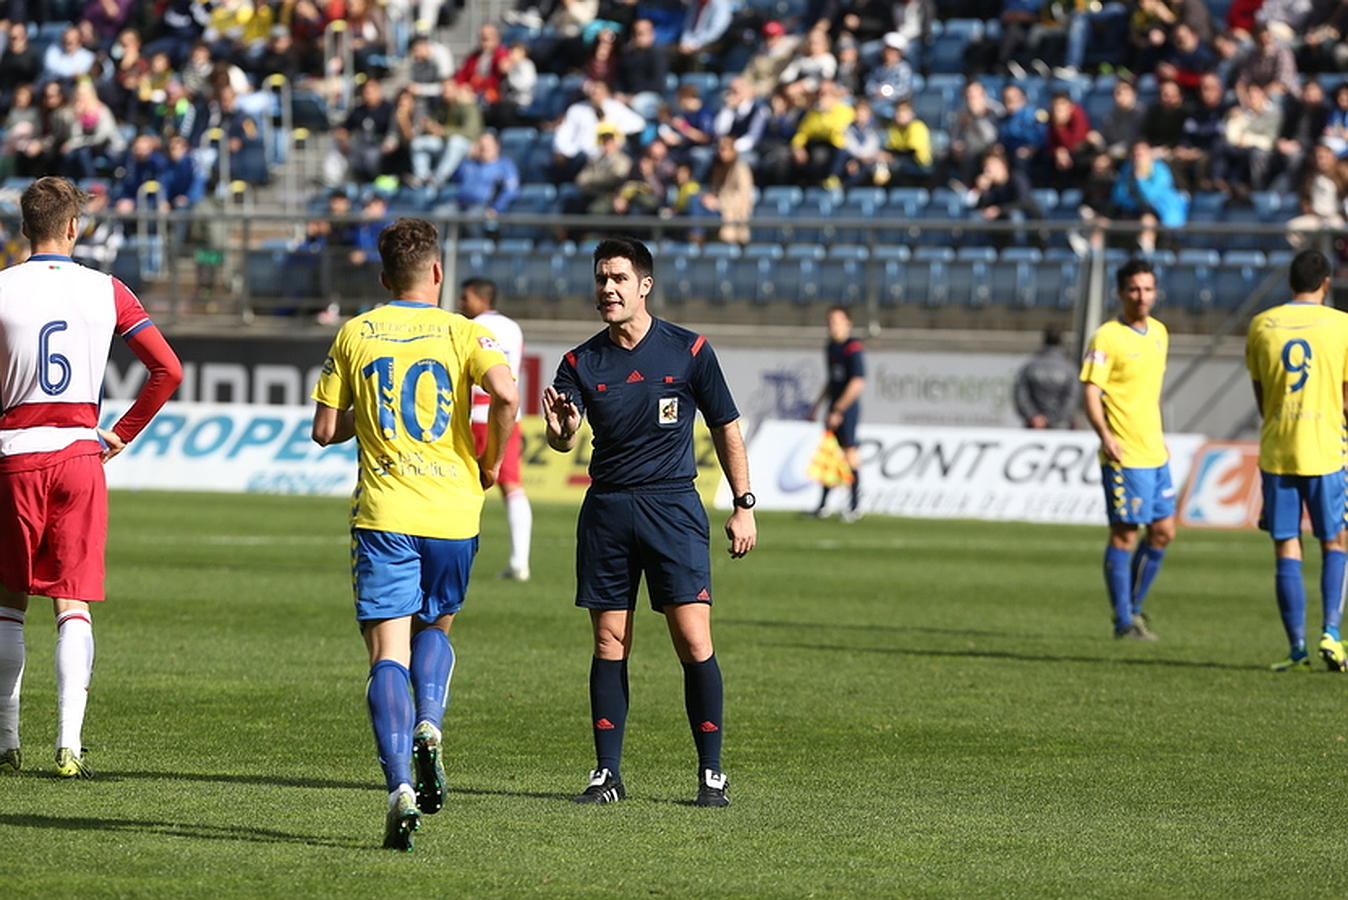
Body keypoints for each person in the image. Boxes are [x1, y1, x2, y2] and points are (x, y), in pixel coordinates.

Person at [310, 217, 518, 850]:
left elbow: (323, 430)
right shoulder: (466, 331)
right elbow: (507, 396)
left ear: (382, 278)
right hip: (454, 514)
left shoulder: (356, 332)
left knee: (385, 656)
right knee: (437, 629)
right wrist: (491, 460)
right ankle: (431, 724)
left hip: (385, 515)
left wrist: (368, 423)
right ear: (437, 272)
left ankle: (400, 784)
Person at [542, 237, 756, 808]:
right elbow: (560, 441)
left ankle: (711, 774)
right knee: (610, 641)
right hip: (608, 510)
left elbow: (726, 426)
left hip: (672, 509)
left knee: (692, 639)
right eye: (600, 279)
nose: (607, 289)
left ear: (644, 285)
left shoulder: (688, 351)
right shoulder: (579, 362)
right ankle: (606, 775)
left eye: (617, 278)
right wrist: (562, 426)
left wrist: (743, 503)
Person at [0, 176, 183, 778]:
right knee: (71, 602)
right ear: (74, 227)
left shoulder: (2, 288)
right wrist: (122, 433)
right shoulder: (107, 289)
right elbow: (167, 369)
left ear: (24, 228)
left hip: (14, 455)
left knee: (8, 603)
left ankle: (6, 740)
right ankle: (69, 746)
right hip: (80, 455)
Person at [1244, 250, 1348, 672]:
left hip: (1277, 449)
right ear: (1325, 283)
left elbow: (1261, 393)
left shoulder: (1261, 324)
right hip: (1325, 448)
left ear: (1290, 283)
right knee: (1334, 540)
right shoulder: (1341, 325)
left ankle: (1297, 646)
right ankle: (1332, 633)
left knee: (1286, 544)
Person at [1079, 259, 1174, 641]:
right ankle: (1123, 620)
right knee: (1125, 534)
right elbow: (1090, 391)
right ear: (1121, 293)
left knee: (1164, 531)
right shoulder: (1106, 337)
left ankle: (1133, 608)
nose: (1142, 296)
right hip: (1124, 453)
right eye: (1134, 289)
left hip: (1155, 451)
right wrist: (1105, 434)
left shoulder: (1160, 334)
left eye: (1148, 289)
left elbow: (1147, 393)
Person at [458, 278, 532, 582]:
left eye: (465, 298)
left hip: (476, 414)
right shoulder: (513, 328)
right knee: (511, 485)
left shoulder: (471, 328)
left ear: (479, 298)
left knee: (463, 487)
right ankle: (520, 561)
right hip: (506, 417)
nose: (461, 304)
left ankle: (457, 557)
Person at [808, 305, 865, 521]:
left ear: (848, 323)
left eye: (837, 321)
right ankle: (823, 505)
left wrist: (839, 409)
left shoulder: (853, 347)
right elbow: (832, 380)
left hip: (846, 410)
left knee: (850, 454)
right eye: (830, 321)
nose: (832, 325)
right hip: (834, 408)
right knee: (830, 455)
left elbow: (857, 382)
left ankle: (854, 506)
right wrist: (818, 405)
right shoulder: (831, 347)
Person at [1014, 326, 1078, 429]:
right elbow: (1072, 399)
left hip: (1033, 427)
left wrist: (1033, 417)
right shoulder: (1070, 368)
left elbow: (1021, 395)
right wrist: (1053, 420)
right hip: (1060, 428)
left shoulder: (1029, 366)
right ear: (1061, 342)